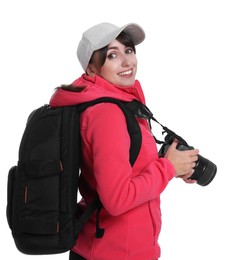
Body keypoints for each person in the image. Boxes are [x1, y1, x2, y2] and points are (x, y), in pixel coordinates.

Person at [50, 22, 199, 260]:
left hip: (115, 248)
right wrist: (167, 168)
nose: (127, 62)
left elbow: (125, 168)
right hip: (115, 252)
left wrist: (171, 164)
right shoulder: (107, 113)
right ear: (91, 69)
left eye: (128, 50)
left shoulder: (117, 103)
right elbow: (117, 199)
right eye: (112, 55)